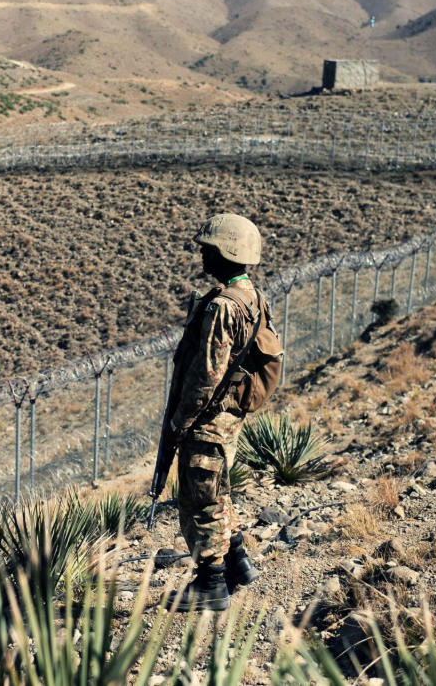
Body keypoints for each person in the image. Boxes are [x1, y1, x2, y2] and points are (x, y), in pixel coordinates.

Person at [162, 213, 280, 611]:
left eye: (207, 248)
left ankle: (211, 583)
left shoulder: (223, 307)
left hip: (207, 419)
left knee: (201, 500)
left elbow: (205, 376)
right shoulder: (252, 297)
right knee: (219, 490)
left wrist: (179, 423)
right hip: (227, 417)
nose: (201, 253)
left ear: (225, 252)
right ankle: (237, 561)